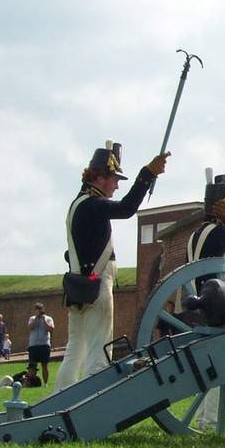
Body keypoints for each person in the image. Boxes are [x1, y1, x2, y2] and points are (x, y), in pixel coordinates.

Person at [54, 140, 169, 393]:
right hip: (96, 283)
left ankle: (60, 397)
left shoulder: (79, 203)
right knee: (98, 349)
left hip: (79, 285)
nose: (117, 185)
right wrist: (147, 174)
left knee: (75, 350)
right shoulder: (92, 205)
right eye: (114, 178)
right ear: (99, 178)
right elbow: (127, 209)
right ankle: (89, 402)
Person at [184, 168, 225, 431]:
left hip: (197, 305)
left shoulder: (196, 233)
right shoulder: (221, 234)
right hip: (218, 306)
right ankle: (209, 421)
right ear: (222, 209)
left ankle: (204, 418)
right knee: (217, 366)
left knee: (208, 366)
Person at [27, 302, 54, 385]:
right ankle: (31, 382)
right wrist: (36, 318)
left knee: (44, 365)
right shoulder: (32, 318)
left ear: (43, 310)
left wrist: (43, 319)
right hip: (33, 345)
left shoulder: (48, 318)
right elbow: (30, 327)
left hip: (44, 345)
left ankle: (45, 383)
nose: (38, 312)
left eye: (40, 310)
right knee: (32, 365)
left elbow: (51, 329)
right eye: (36, 310)